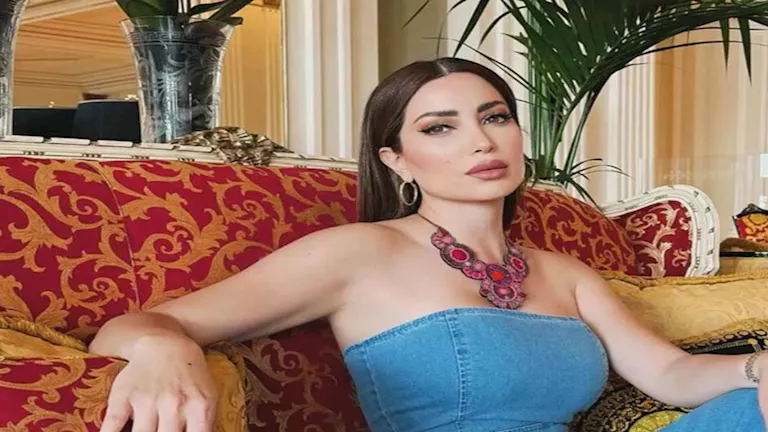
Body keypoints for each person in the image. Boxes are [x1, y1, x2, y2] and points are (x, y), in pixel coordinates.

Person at [89, 58, 767, 432]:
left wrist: (759, 370)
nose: (481, 141)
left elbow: (672, 375)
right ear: (397, 161)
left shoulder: (567, 272)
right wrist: (163, 348)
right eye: (440, 128)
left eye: (495, 117)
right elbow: (132, 326)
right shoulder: (357, 253)